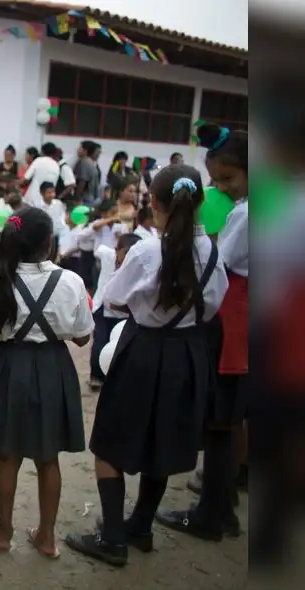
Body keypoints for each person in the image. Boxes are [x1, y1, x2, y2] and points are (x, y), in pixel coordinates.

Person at [65, 165, 229, 567]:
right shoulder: (211, 251)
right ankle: (139, 525)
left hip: (144, 351)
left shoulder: (145, 251)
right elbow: (215, 303)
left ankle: (113, 539)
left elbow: (115, 300)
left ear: (152, 204)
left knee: (109, 443)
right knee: (164, 440)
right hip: (188, 354)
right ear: (201, 203)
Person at [0, 207, 92, 558]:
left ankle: (4, 533)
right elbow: (83, 337)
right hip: (53, 369)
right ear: (50, 242)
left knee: (8, 456)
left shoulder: (0, 284)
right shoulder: (71, 282)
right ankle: (46, 536)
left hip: (11, 368)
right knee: (48, 457)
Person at [157, 123, 249, 541]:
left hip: (234, 325)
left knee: (220, 422)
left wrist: (189, 241)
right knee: (230, 420)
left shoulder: (248, 213)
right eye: (216, 180)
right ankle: (223, 504)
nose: (222, 188)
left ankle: (213, 512)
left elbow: (218, 260)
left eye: (228, 179)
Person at [88, 233, 141, 390]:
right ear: (117, 250)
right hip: (103, 310)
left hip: (125, 312)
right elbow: (98, 250)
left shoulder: (138, 265)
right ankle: (96, 376)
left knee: (122, 345)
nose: (127, 257)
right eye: (125, 252)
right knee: (100, 341)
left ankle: (117, 378)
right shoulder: (108, 255)